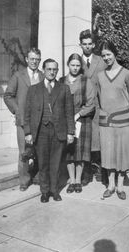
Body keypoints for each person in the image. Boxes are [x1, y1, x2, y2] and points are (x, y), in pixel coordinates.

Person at [24, 59, 75, 203]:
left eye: (55, 69)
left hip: (59, 131)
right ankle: (45, 191)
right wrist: (28, 132)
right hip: (41, 132)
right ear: (43, 70)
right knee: (43, 163)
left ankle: (54, 190)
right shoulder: (33, 89)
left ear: (57, 71)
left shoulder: (64, 89)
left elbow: (69, 113)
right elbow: (27, 113)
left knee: (56, 163)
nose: (52, 72)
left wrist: (70, 132)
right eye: (49, 69)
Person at [97, 40, 129, 200]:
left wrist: (124, 112)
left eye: (109, 54)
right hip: (106, 121)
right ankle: (111, 185)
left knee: (121, 153)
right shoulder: (100, 75)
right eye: (103, 56)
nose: (106, 58)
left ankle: (120, 187)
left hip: (123, 121)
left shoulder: (126, 73)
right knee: (108, 153)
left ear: (114, 54)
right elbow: (100, 98)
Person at [4, 47, 44, 191]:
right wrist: (17, 111)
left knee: (39, 149)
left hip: (39, 121)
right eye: (32, 59)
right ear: (27, 59)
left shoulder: (42, 76)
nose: (34, 62)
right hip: (23, 121)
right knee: (24, 152)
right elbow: (8, 95)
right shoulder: (18, 76)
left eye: (37, 59)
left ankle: (38, 176)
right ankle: (24, 180)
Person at [60, 53, 95, 193]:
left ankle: (78, 180)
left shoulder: (86, 81)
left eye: (78, 65)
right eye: (72, 65)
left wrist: (78, 114)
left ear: (81, 66)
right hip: (65, 120)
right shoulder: (61, 81)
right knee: (69, 151)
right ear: (68, 65)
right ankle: (72, 179)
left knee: (79, 152)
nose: (75, 68)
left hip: (82, 120)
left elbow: (91, 103)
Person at [80, 29, 106, 185]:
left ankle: (102, 171)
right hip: (82, 108)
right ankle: (85, 173)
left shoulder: (101, 61)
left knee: (99, 140)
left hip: (97, 106)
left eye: (90, 44)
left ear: (94, 44)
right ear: (80, 45)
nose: (87, 47)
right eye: (84, 44)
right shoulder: (76, 61)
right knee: (84, 141)